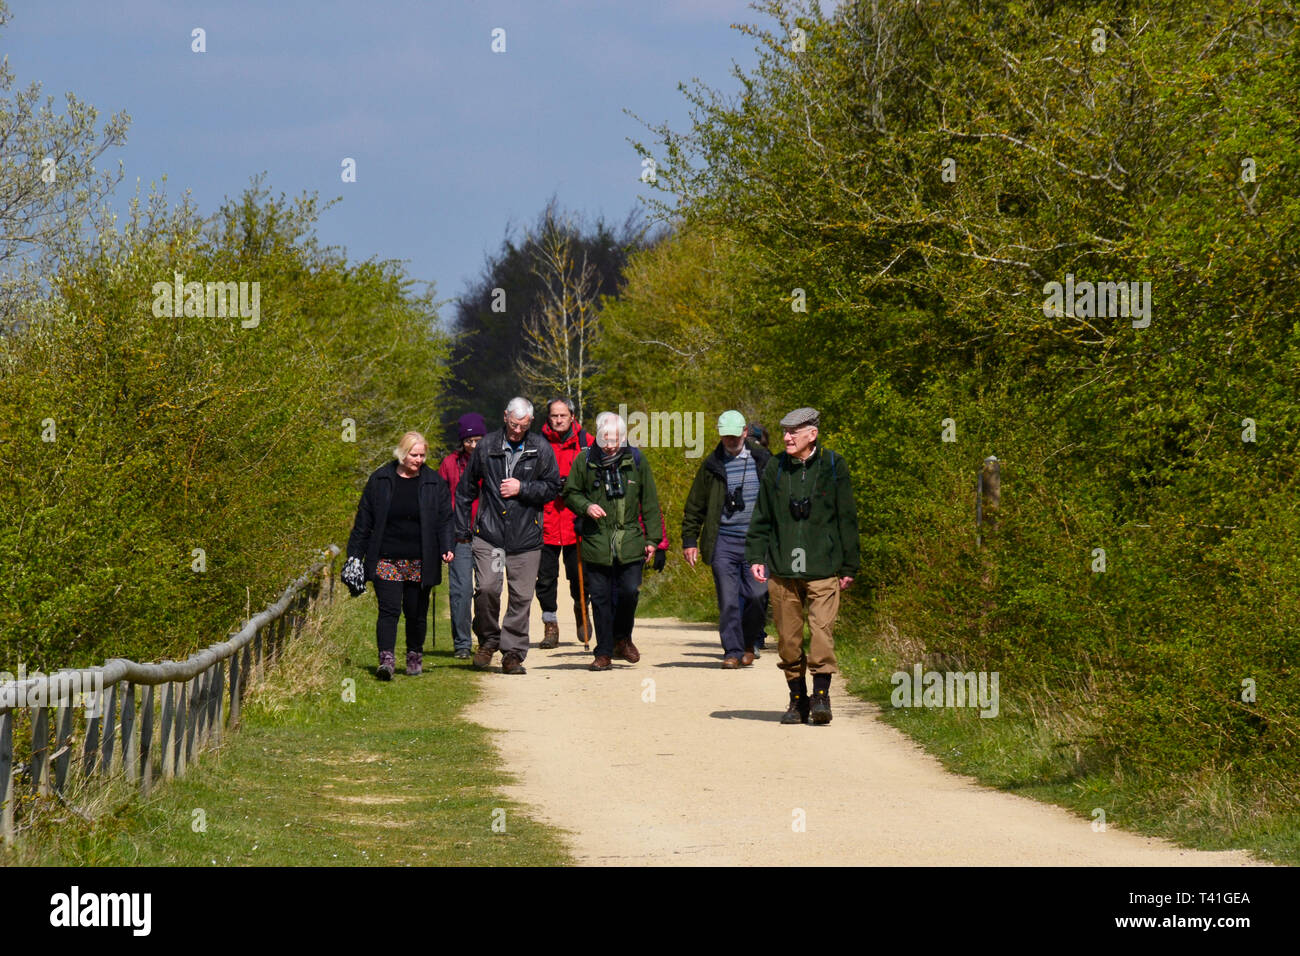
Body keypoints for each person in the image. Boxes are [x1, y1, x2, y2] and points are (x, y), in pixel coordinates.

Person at [745, 408, 860, 724]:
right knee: (788, 639)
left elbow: (846, 518)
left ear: (812, 433)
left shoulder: (834, 466)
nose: (785, 438)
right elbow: (762, 516)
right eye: (784, 432)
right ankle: (798, 700)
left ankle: (821, 697)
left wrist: (849, 564)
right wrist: (756, 556)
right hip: (782, 571)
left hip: (823, 568)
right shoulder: (775, 469)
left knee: (822, 633)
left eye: (793, 432)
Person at [454, 397, 561, 675]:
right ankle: (488, 640)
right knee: (488, 589)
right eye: (513, 424)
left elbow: (552, 488)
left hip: (525, 540)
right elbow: (466, 490)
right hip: (490, 537)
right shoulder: (487, 446)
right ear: (505, 417)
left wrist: (522, 488)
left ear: (530, 423)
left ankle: (513, 653)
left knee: (520, 598)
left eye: (522, 426)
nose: (516, 431)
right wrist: (462, 530)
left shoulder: (541, 448)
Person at [343, 431, 455, 680]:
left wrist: (448, 546)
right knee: (389, 610)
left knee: (416, 612)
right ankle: (386, 660)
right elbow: (364, 521)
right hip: (386, 557)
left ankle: (414, 655)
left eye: (422, 455)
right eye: (414, 455)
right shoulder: (380, 479)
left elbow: (445, 519)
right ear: (401, 453)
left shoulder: (434, 483)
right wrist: (354, 556)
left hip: (421, 559)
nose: (419, 460)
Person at [563, 413, 662, 671]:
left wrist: (653, 539)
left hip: (630, 540)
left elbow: (650, 502)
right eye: (605, 438)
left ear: (623, 437)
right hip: (597, 541)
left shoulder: (637, 460)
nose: (609, 444)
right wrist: (586, 506)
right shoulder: (584, 460)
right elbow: (570, 493)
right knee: (601, 598)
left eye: (615, 439)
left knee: (629, 591)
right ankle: (603, 652)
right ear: (597, 435)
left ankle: (622, 638)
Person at [682, 410, 772, 668]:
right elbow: (695, 505)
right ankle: (732, 652)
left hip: (757, 543)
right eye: (726, 437)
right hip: (723, 540)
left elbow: (779, 500)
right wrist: (690, 540)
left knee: (757, 595)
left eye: (735, 435)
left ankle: (748, 643)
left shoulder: (763, 460)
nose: (731, 441)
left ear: (745, 432)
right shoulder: (712, 465)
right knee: (729, 599)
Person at [535, 397, 594, 648]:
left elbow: (597, 477)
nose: (558, 420)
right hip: (545, 521)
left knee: (580, 575)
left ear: (572, 416)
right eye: (554, 416)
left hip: (575, 521)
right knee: (546, 579)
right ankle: (550, 625)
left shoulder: (587, 443)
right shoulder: (536, 443)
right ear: (548, 418)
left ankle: (582, 612)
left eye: (562, 415)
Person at [438, 412, 487, 659]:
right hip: (459, 536)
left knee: (489, 589)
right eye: (469, 441)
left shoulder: (493, 461)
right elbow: (439, 500)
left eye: (479, 440)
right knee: (461, 590)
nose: (474, 446)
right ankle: (462, 644)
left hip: (490, 536)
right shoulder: (448, 464)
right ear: (462, 442)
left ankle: (487, 637)